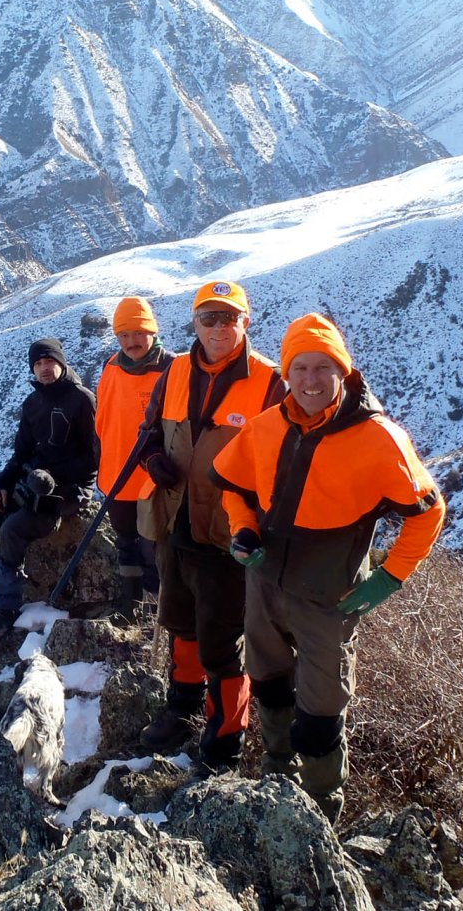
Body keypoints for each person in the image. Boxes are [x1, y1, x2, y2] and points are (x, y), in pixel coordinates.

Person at [210, 312, 446, 822]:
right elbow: (235, 487)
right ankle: (278, 775)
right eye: (300, 368)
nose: (311, 381)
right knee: (269, 682)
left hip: (330, 598)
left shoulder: (379, 438)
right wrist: (243, 531)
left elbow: (429, 512)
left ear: (344, 372)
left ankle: (320, 812)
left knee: (320, 713)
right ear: (287, 373)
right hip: (265, 585)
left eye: (324, 368)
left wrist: (391, 575)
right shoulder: (267, 425)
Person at [135, 280, 286, 767]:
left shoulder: (269, 381)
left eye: (229, 317)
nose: (219, 327)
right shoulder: (175, 369)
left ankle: (224, 739)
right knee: (180, 622)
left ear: (247, 320)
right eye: (209, 318)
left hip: (229, 536)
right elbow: (149, 430)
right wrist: (152, 457)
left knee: (222, 639)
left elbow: (285, 462)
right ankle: (181, 709)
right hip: (175, 523)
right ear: (194, 323)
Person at [0, 337, 98, 642]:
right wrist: (3, 486)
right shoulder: (33, 403)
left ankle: (5, 607)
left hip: (69, 489)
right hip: (32, 477)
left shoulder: (82, 400)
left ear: (61, 363)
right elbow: (20, 453)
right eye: (38, 364)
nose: (44, 369)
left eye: (49, 362)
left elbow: (94, 459)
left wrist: (52, 476)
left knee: (12, 528)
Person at [93, 296, 174, 623]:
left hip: (152, 478)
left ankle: (155, 612)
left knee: (151, 546)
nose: (131, 342)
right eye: (124, 335)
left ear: (152, 332)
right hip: (115, 473)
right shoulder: (111, 365)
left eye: (138, 333)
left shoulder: (171, 369)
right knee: (125, 542)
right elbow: (103, 418)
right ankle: (131, 603)